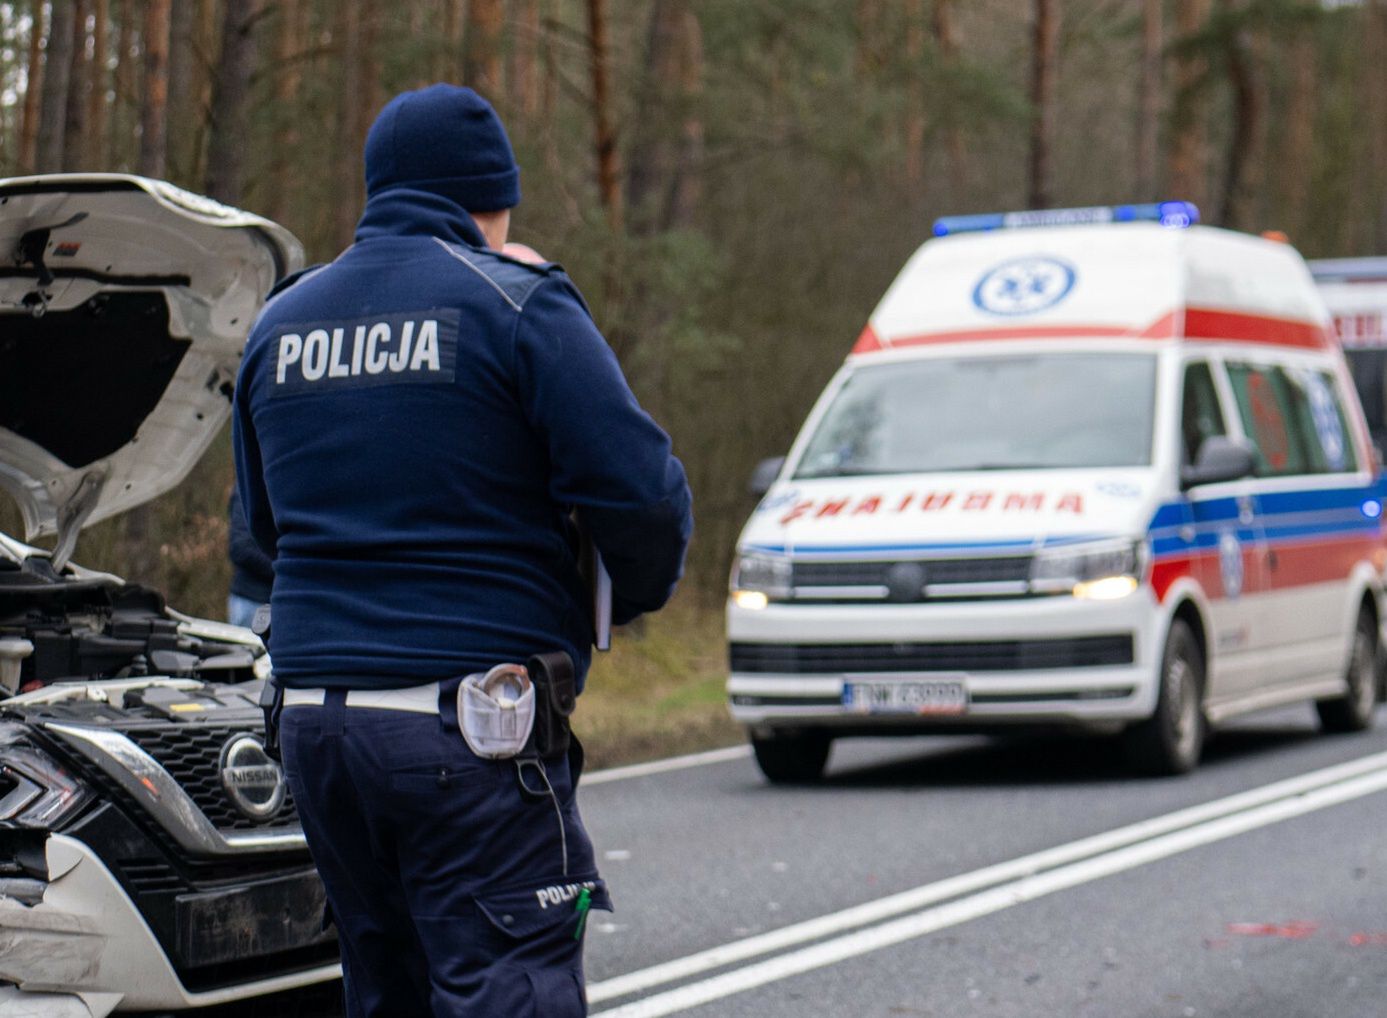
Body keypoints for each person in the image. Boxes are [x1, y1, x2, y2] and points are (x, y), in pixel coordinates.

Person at [231, 84, 692, 1017]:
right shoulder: (515, 303)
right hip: (466, 732)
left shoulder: (278, 326)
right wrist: (622, 601)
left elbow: (260, 538)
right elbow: (643, 497)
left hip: (317, 731)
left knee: (383, 991)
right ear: (493, 197)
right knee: (505, 989)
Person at [226, 488, 272, 629]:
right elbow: (240, 548)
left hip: (281, 601)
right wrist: (285, 568)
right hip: (251, 602)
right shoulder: (248, 490)